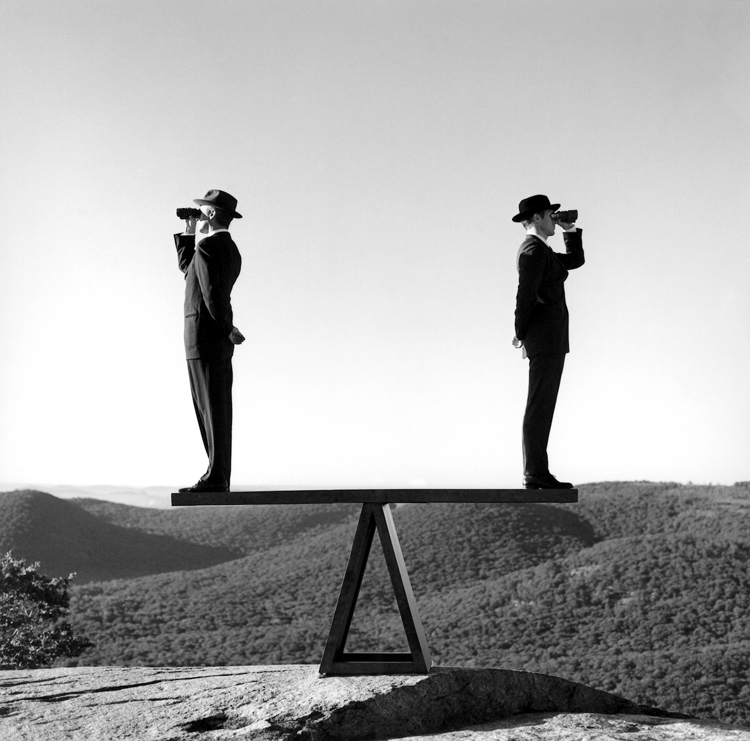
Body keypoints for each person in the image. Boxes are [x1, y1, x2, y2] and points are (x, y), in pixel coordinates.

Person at [511, 194, 584, 489]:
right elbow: (525, 296)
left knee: (543, 405)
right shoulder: (532, 251)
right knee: (539, 405)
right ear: (537, 218)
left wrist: (570, 230)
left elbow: (576, 260)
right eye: (550, 215)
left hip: (550, 339)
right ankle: (535, 473)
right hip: (544, 339)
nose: (554, 219)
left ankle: (537, 471)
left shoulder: (542, 250)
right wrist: (520, 333)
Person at [174, 189, 245, 493]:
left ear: (213, 214)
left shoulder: (209, 248)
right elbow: (189, 270)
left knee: (210, 411)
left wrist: (227, 328)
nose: (199, 214)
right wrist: (189, 231)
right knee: (216, 411)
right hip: (212, 341)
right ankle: (217, 475)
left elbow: (214, 295)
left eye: (202, 210)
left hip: (204, 339)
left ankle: (216, 478)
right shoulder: (228, 249)